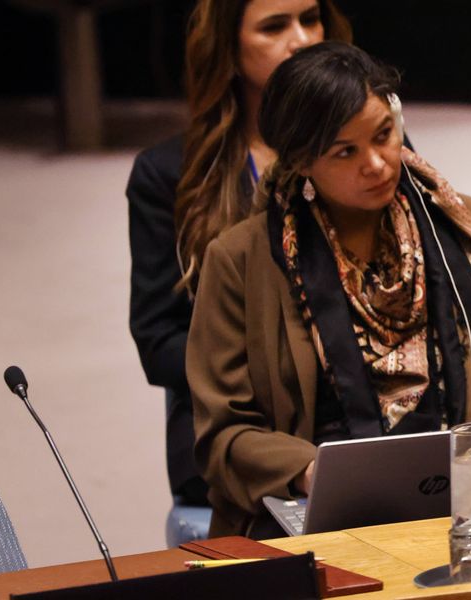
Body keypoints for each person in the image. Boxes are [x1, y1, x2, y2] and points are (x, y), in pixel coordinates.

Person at [186, 42, 471, 536]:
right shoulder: (240, 261)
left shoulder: (463, 225)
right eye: (345, 152)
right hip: (320, 515)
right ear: (302, 161)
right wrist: (313, 473)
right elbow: (224, 434)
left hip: (469, 497)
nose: (377, 164)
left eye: (384, 135)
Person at [126, 0, 350, 513]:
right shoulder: (169, 174)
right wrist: (289, 366)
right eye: (274, 27)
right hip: (237, 435)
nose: (302, 39)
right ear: (229, 47)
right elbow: (158, 342)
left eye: (310, 18)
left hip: (357, 421)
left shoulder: (367, 147)